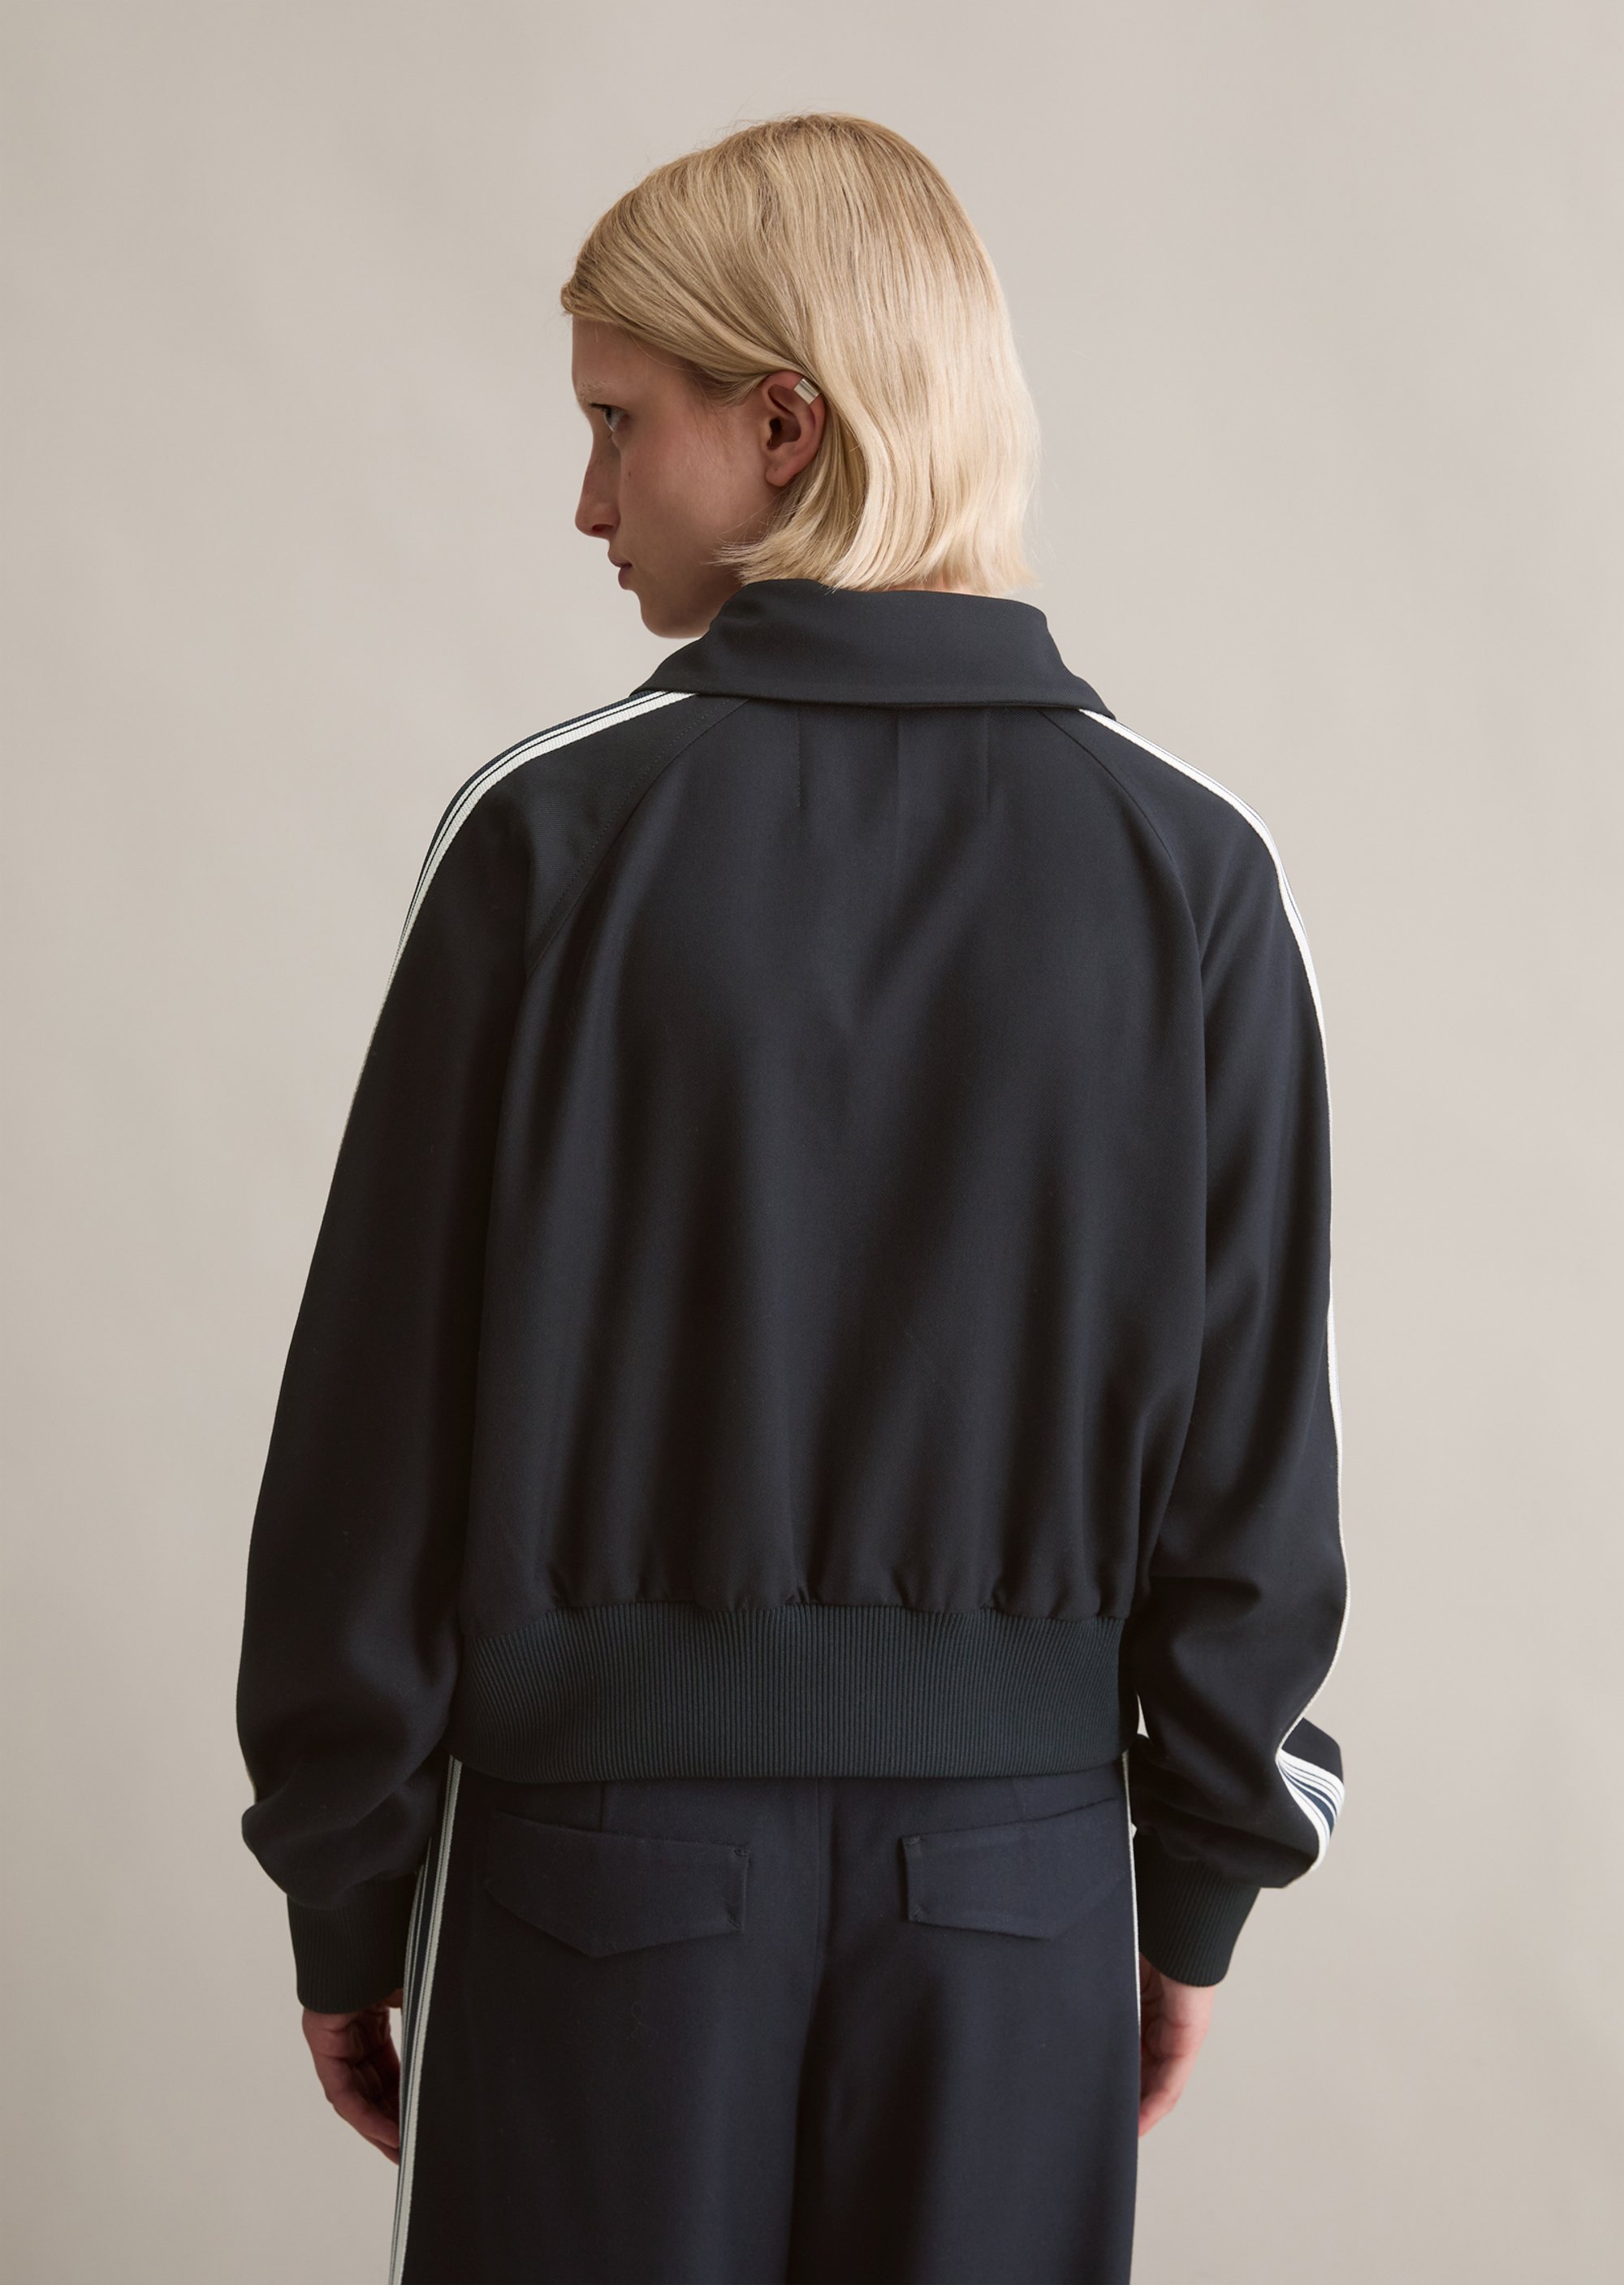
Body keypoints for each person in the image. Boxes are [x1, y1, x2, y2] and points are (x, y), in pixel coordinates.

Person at [236, 112, 1346, 2285]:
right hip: (1020, 1898)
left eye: (615, 425)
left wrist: (348, 1887)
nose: (587, 501)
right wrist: (1198, 1879)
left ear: (783, 427)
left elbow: (376, 1425)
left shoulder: (552, 841)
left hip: (593, 1890)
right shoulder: (1193, 874)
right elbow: (1259, 1465)